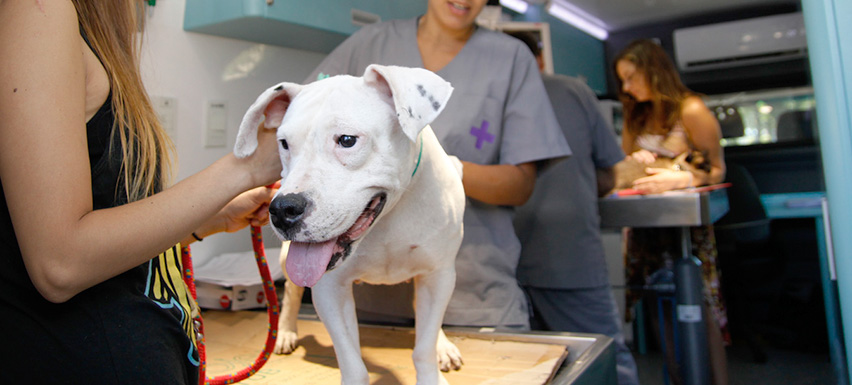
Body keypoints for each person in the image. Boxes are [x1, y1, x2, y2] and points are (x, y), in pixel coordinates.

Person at [0, 0, 281, 383]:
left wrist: (208, 218)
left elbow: (96, 228)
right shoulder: (32, 11)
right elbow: (60, 263)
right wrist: (246, 166)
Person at [303, 0, 571, 330]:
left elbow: (519, 186)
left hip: (472, 298)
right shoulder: (369, 45)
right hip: (364, 296)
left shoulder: (510, 59)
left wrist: (440, 167)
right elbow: (304, 118)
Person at [506, 31, 640, 385]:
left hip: (501, 263)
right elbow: (609, 175)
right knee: (603, 358)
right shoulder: (572, 91)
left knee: (528, 370)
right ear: (540, 59)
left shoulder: (484, 100)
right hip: (569, 255)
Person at [614, 38, 729, 385]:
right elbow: (620, 171)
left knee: (701, 310)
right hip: (646, 229)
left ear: (654, 70)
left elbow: (718, 170)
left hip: (686, 228)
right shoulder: (637, 116)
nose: (627, 87)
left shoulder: (691, 111)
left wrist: (678, 178)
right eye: (622, 80)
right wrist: (633, 164)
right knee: (658, 309)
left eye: (632, 77)